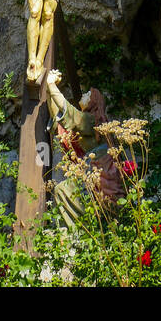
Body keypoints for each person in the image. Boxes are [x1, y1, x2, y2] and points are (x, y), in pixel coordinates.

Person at [46, 69, 125, 226]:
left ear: (94, 103)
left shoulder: (92, 121)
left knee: (62, 189)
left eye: (88, 95)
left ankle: (74, 234)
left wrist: (51, 84)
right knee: (64, 190)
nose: (84, 96)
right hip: (93, 177)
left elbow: (68, 113)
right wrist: (49, 91)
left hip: (102, 183)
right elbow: (59, 118)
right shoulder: (91, 123)